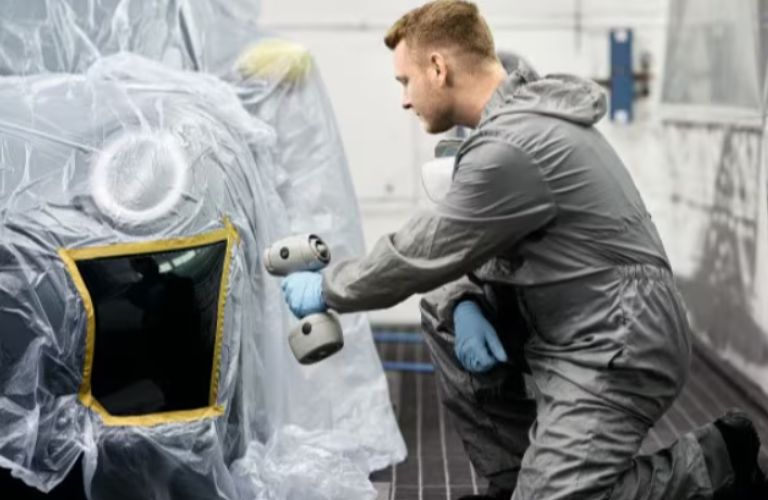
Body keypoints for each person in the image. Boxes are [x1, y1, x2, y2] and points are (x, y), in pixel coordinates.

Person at [279, 1, 767, 498]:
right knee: (449, 305)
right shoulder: (512, 130)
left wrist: (327, 288)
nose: (404, 100)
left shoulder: (514, 147)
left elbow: (420, 252)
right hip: (575, 323)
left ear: (438, 68)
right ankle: (517, 483)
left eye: (404, 82)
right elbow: (476, 252)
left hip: (619, 336)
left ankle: (719, 459)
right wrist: (465, 300)